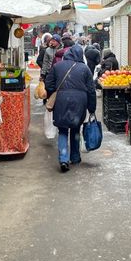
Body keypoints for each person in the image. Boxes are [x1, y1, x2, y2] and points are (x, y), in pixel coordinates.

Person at [45, 44, 96, 172]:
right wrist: (92, 108)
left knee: (62, 130)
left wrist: (54, 95)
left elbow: (49, 84)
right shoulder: (85, 69)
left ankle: (63, 159)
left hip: (62, 100)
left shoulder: (57, 66)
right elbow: (91, 90)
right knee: (75, 129)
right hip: (80, 102)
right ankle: (75, 157)